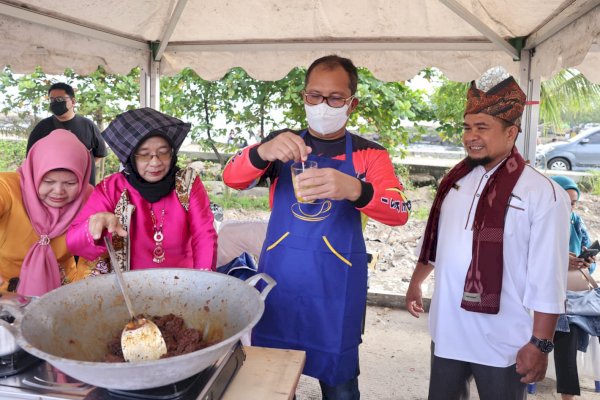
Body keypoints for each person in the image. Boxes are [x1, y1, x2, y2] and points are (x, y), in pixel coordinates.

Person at [223, 55, 411, 399]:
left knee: (339, 384)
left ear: (351, 104)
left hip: (334, 286)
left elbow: (399, 211)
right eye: (315, 96)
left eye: (335, 98)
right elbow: (231, 178)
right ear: (304, 97)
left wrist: (356, 189)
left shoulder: (370, 155)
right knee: (272, 379)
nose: (324, 105)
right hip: (281, 281)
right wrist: (261, 151)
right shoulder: (283, 146)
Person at [405, 70, 571, 400]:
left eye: (483, 127)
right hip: (448, 333)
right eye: (468, 127)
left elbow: (548, 277)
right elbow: (439, 241)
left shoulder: (543, 193)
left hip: (504, 343)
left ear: (511, 132)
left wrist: (540, 343)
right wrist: (417, 280)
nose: (471, 136)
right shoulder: (455, 182)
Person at [67, 107, 217, 273]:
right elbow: (73, 243)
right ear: (131, 158)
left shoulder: (187, 183)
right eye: (144, 154)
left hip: (184, 283)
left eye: (163, 152)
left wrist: (203, 284)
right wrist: (92, 225)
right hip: (129, 288)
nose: (155, 162)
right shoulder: (111, 188)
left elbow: (204, 235)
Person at [0, 129, 93, 296]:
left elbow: (93, 260)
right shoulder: (8, 188)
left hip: (63, 291)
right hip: (6, 293)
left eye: (70, 183)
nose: (58, 191)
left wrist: (81, 296)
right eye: (48, 181)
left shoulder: (88, 199)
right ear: (33, 174)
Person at [552, 175, 597, 400]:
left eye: (573, 203)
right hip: (552, 289)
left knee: (574, 320)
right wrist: (560, 260)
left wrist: (587, 261)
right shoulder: (543, 222)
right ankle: (568, 396)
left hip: (578, 288)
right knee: (566, 327)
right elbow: (530, 261)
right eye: (565, 202)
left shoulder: (575, 221)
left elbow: (591, 258)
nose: (570, 207)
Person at [27, 82, 107, 185]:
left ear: (73, 101)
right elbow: (31, 158)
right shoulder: (41, 127)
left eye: (60, 99)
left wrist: (81, 167)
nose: (55, 102)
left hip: (83, 185)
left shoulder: (88, 125)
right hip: (53, 189)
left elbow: (99, 154)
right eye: (52, 100)